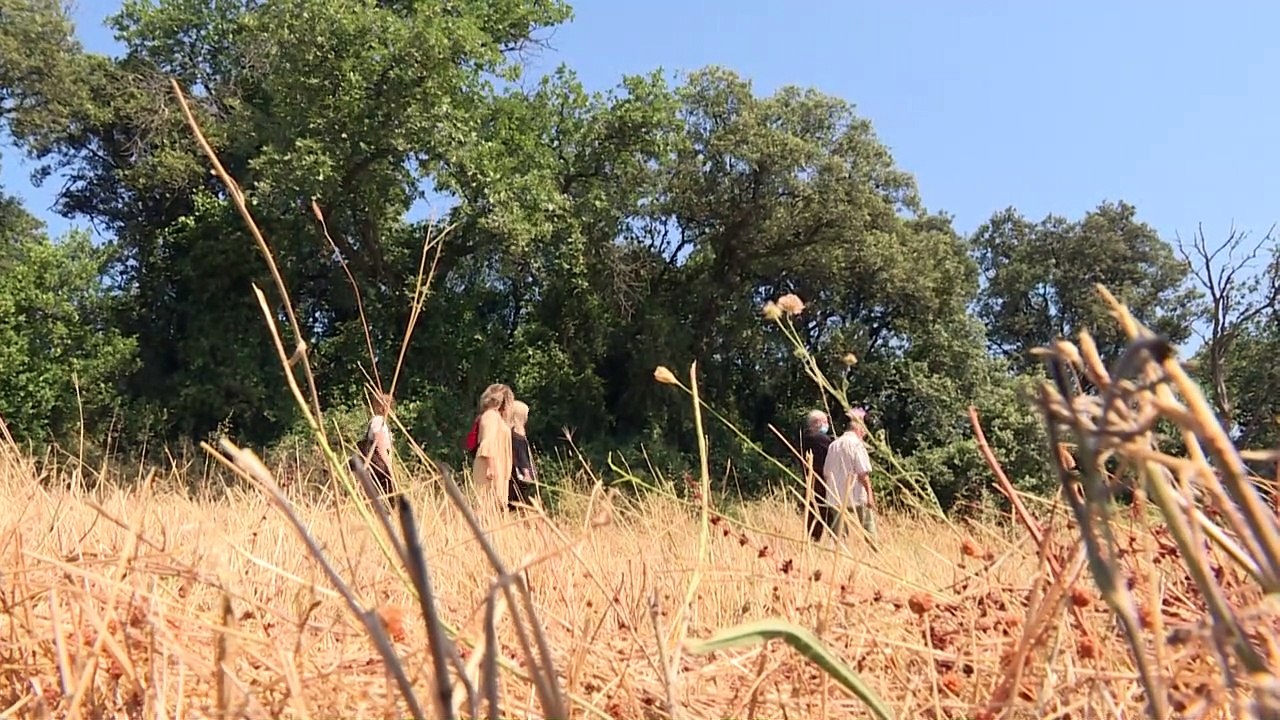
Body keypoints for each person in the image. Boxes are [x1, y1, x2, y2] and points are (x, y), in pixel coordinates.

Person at [823, 407, 877, 542]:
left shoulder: (833, 445)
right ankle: (874, 550)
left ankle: (840, 556)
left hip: (835, 496)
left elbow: (826, 473)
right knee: (868, 527)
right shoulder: (857, 445)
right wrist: (870, 495)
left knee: (840, 534)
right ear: (859, 429)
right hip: (857, 494)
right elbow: (863, 473)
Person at [471, 383, 515, 517]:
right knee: (485, 507)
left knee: (494, 508)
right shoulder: (490, 416)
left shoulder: (495, 417)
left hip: (496, 468)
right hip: (490, 469)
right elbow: (487, 441)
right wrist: (491, 467)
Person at [800, 408, 834, 541]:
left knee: (813, 513)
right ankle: (835, 539)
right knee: (829, 513)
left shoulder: (803, 439)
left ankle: (813, 540)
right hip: (823, 481)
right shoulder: (819, 439)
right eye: (825, 422)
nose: (827, 425)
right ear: (816, 423)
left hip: (810, 481)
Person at [363, 391, 401, 511]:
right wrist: (388, 465)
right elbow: (378, 442)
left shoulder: (380, 422)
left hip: (379, 464)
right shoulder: (379, 421)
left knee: (385, 496)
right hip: (380, 465)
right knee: (387, 495)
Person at [508, 400, 536, 511]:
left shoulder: (510, 431)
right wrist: (528, 474)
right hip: (517, 475)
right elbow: (521, 456)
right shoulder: (517, 433)